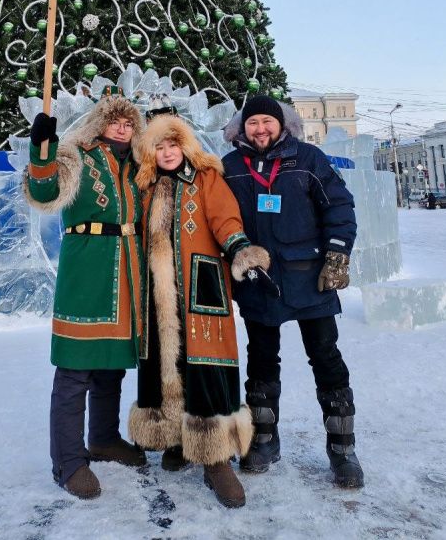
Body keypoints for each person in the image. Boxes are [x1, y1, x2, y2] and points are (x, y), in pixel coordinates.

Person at [128, 109, 274, 508]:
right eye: (159, 145)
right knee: (165, 369)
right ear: (150, 152)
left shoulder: (206, 177)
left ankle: (215, 458)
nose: (167, 152)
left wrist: (241, 249)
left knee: (208, 369)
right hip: (158, 296)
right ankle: (176, 440)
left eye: (173, 143)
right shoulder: (145, 185)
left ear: (185, 145)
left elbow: (225, 220)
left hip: (201, 287)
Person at [222, 95, 364, 488]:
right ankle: (264, 440)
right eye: (253, 123)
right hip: (259, 282)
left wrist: (337, 254)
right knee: (262, 362)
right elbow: (217, 217)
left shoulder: (308, 158)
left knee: (326, 359)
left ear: (281, 124)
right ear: (243, 127)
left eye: (267, 121)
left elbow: (339, 205)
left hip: (310, 277)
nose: (260, 129)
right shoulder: (230, 166)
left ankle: (342, 450)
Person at [24, 87, 147, 500]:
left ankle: (104, 439)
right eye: (116, 120)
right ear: (100, 122)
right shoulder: (78, 155)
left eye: (130, 123)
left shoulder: (139, 166)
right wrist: (42, 148)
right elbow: (44, 191)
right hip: (87, 269)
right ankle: (69, 461)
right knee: (76, 368)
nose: (122, 128)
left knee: (111, 365)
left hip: (130, 272)